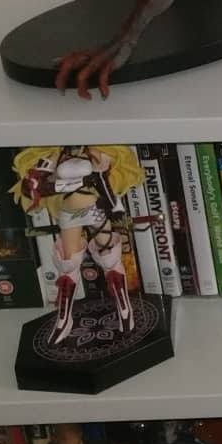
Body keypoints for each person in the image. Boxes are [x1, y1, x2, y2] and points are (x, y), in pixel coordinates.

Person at [12, 146, 146, 343]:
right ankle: (63, 321)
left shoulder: (95, 150)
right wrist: (67, 184)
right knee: (68, 265)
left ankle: (125, 311)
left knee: (109, 259)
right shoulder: (57, 153)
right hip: (69, 213)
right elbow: (34, 187)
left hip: (94, 209)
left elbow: (104, 180)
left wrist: (114, 206)